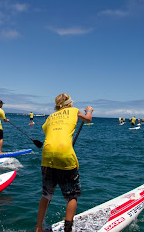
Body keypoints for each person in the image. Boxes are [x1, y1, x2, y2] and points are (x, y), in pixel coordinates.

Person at [36, 94, 93, 232]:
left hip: (47, 155)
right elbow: (88, 119)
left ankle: (38, 229)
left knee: (46, 195)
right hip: (64, 155)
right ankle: (68, 229)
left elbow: (50, 134)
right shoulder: (74, 111)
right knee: (72, 195)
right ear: (69, 104)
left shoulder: (50, 117)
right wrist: (89, 110)